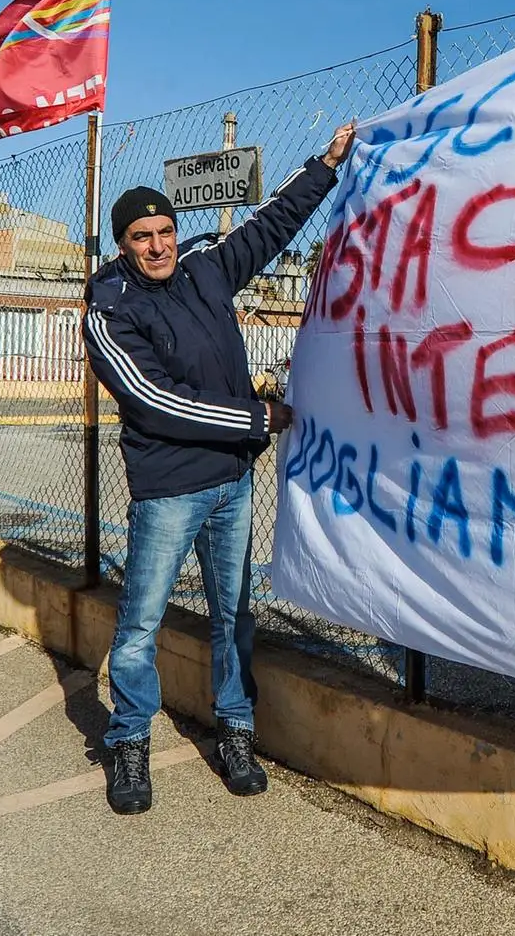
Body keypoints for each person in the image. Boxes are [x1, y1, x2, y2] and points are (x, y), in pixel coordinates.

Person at [82, 119, 355, 813]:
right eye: (142, 237)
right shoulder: (108, 311)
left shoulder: (205, 265)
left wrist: (324, 163)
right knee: (141, 623)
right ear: (123, 245)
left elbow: (270, 226)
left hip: (233, 482)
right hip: (170, 490)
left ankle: (235, 729)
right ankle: (128, 741)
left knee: (234, 614)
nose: (157, 245)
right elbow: (153, 401)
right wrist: (256, 418)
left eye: (164, 231)